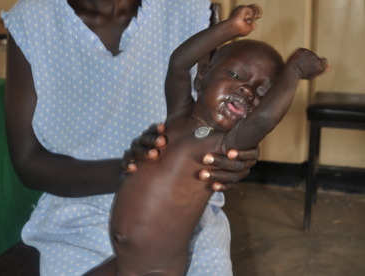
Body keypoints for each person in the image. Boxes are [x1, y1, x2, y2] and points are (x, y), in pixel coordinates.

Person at [2, 0, 260, 275]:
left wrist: (235, 149)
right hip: (76, 217)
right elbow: (27, 163)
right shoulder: (32, 20)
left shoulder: (188, 9)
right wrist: (137, 172)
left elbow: (213, 121)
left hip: (183, 211)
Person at [83, 4, 328, 276]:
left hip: (155, 270)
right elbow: (178, 63)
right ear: (201, 77)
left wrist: (294, 70)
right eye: (235, 75)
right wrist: (230, 28)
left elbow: (263, 119)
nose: (247, 90)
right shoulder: (178, 113)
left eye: (262, 92)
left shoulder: (223, 145)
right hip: (120, 261)